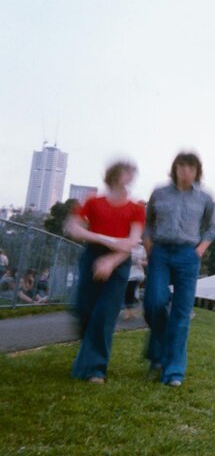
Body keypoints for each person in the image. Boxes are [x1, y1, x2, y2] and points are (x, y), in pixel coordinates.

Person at [64, 161, 145, 383]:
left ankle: (95, 369)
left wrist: (111, 261)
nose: (127, 178)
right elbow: (74, 228)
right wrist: (105, 239)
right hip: (92, 255)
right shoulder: (93, 202)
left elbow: (132, 240)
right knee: (84, 310)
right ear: (113, 176)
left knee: (105, 313)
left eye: (130, 174)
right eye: (123, 173)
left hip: (119, 261)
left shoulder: (136, 208)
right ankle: (89, 353)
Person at [143, 152, 215, 387]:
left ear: (197, 171)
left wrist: (200, 250)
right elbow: (147, 223)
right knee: (154, 301)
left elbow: (212, 227)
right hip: (161, 252)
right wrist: (149, 248)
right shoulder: (159, 193)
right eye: (181, 166)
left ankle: (173, 371)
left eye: (190, 167)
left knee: (181, 313)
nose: (185, 170)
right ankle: (159, 350)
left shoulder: (205, 198)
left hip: (188, 253)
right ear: (174, 168)